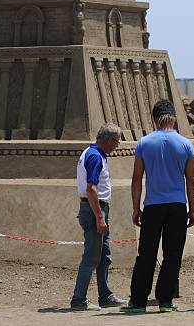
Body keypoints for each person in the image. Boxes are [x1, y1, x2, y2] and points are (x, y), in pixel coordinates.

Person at [121, 100, 194, 313]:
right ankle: (165, 301)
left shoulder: (144, 143)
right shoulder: (185, 144)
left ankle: (138, 301)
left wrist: (136, 208)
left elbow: (137, 179)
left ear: (154, 118)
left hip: (153, 205)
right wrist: (192, 209)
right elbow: (190, 180)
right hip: (177, 205)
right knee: (172, 254)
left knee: (146, 253)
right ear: (173, 117)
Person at [70, 123, 128, 311]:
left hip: (97, 208)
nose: (117, 146)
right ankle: (79, 300)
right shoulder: (95, 156)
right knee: (92, 257)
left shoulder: (92, 153)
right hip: (95, 209)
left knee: (103, 256)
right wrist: (99, 217)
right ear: (109, 140)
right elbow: (91, 189)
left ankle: (105, 296)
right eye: (116, 142)